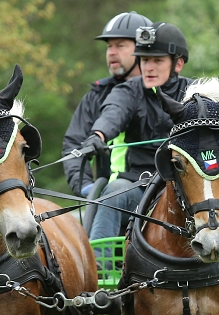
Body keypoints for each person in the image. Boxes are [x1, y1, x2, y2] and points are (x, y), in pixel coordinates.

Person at [85, 22, 193, 244]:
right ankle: (99, 267)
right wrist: (98, 135)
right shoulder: (128, 90)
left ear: (178, 63)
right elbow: (113, 113)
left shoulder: (196, 93)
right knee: (114, 192)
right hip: (138, 186)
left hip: (188, 186)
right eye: (144, 60)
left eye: (157, 60)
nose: (148, 67)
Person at [62, 11, 153, 198]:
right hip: (108, 196)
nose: (111, 52)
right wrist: (86, 187)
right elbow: (74, 143)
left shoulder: (166, 93)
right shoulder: (96, 95)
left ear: (143, 50)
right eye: (109, 46)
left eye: (120, 46)